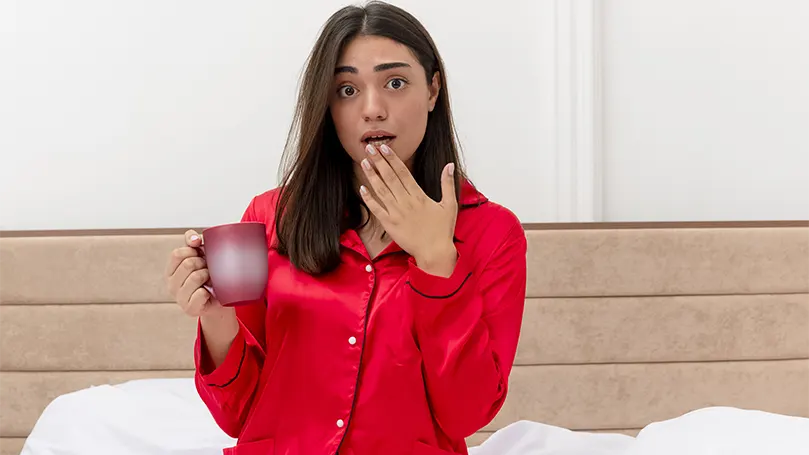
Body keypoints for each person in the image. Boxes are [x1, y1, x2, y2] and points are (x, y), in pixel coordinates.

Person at [164, 1, 527, 454]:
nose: (372, 109)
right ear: (327, 105)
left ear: (433, 90)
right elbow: (237, 417)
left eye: (395, 83)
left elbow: (466, 415)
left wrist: (437, 262)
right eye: (347, 89)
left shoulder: (491, 233)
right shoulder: (270, 217)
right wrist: (218, 321)